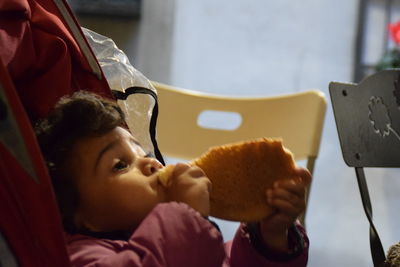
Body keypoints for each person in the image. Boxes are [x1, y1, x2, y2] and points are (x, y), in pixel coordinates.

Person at [35, 90, 311, 267]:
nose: (150, 163)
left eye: (141, 151)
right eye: (120, 165)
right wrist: (185, 216)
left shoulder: (182, 237)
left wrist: (271, 237)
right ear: (80, 216)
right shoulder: (81, 257)